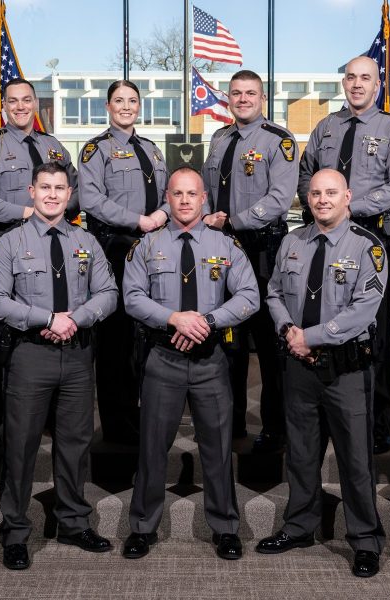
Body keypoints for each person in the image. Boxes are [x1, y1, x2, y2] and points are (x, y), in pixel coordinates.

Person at [0, 162, 117, 570]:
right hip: (30, 355)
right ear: (31, 191)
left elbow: (108, 292)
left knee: (74, 445)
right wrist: (48, 319)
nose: (53, 194)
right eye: (46, 187)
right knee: (20, 446)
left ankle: (73, 522)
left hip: (77, 354)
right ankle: (15, 533)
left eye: (60, 187)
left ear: (70, 193)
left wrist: (76, 318)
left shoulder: (87, 241)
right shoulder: (9, 243)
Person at [121, 167, 258, 560]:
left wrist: (207, 321)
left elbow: (250, 295)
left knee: (217, 448)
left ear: (203, 199)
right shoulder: (146, 246)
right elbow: (131, 297)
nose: (184, 200)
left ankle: (226, 528)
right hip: (161, 357)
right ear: (167, 197)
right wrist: (174, 318)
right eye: (177, 193)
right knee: (152, 449)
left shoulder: (226, 245)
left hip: (209, 358)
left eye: (191, 193)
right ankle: (143, 527)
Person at [258, 168, 387, 578]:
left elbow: (363, 310)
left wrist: (310, 336)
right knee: (300, 454)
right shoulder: (292, 242)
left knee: (355, 460)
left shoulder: (369, 247)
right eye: (315, 193)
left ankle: (365, 541)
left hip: (345, 369)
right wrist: (286, 330)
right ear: (307, 199)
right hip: (299, 368)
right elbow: (274, 292)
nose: (322, 200)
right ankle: (299, 527)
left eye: (331, 192)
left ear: (348, 196)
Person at [297, 55, 390, 455]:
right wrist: (323, 210)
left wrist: (354, 207)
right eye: (350, 77)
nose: (357, 84)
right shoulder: (325, 127)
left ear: (378, 84)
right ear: (343, 83)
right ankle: (332, 413)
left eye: (365, 78)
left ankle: (377, 421)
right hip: (326, 238)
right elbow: (306, 175)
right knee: (327, 318)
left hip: (372, 239)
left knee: (374, 333)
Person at [0, 77, 79, 448]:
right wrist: (26, 211)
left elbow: (73, 194)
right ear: (4, 107)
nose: (20, 107)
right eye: (12, 101)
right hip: (5, 245)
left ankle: (44, 415)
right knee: (2, 331)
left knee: (45, 325)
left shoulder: (53, 146)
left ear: (35, 103)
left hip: (50, 246)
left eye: (26, 100)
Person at [201, 69, 298, 451]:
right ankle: (233, 421)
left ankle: (275, 427)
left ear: (263, 98)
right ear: (228, 97)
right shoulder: (219, 137)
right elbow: (208, 191)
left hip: (263, 249)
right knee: (229, 341)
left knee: (269, 341)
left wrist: (234, 222)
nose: (243, 99)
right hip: (221, 250)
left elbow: (279, 198)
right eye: (236, 93)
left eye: (251, 93)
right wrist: (210, 220)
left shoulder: (279, 140)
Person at [78, 79, 169, 445]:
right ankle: (118, 427)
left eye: (132, 100)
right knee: (115, 341)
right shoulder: (95, 150)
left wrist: (162, 215)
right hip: (114, 248)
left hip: (152, 249)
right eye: (120, 100)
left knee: (147, 336)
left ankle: (146, 419)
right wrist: (139, 221)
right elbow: (91, 199)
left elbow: (167, 194)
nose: (127, 106)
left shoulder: (152, 149)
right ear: (108, 106)